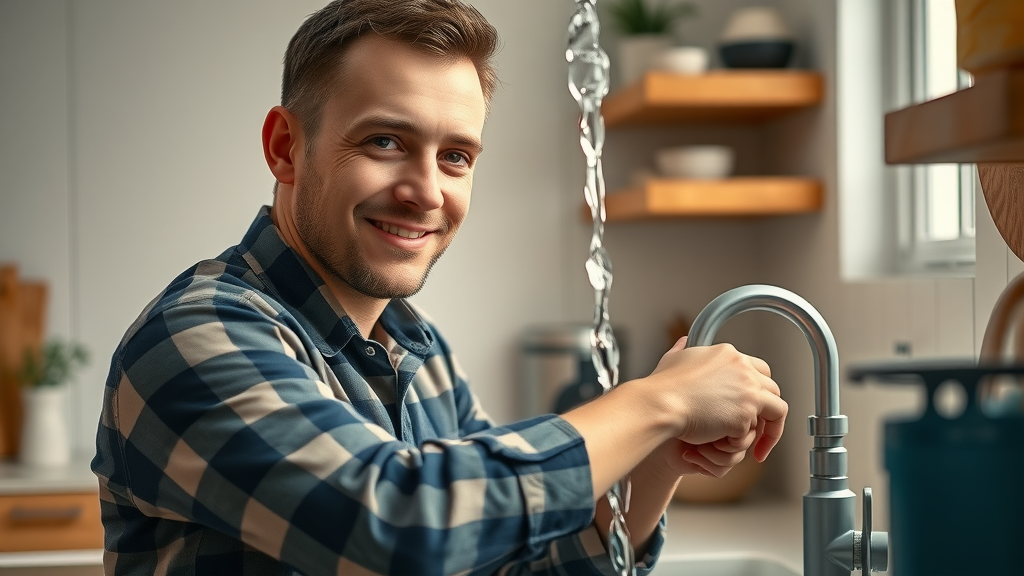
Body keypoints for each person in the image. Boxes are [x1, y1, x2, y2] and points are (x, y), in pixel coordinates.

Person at [92, 1, 788, 575]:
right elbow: (402, 528)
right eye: (385, 142)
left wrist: (657, 464)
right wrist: (656, 404)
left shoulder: (420, 354)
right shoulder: (194, 338)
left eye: (455, 156)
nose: (427, 192)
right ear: (285, 149)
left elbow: (511, 565)